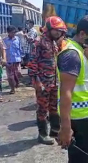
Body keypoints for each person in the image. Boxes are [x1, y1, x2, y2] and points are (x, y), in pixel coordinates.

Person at [57, 15, 88, 163]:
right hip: (79, 120)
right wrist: (66, 128)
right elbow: (66, 92)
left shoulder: (84, 52)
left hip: (87, 117)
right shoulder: (72, 55)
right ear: (82, 34)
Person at [28, 16, 67, 145]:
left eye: (60, 31)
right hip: (43, 83)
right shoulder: (38, 42)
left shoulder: (53, 42)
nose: (59, 33)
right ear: (49, 29)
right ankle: (42, 134)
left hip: (54, 82)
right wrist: (37, 82)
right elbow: (32, 63)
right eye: (57, 30)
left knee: (54, 107)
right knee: (42, 109)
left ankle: (55, 131)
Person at [3, 26, 22, 94]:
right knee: (10, 76)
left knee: (18, 73)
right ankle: (12, 88)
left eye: (15, 32)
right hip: (9, 61)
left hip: (17, 60)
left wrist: (21, 58)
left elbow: (20, 49)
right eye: (12, 32)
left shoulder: (17, 39)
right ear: (8, 32)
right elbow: (3, 51)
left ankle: (17, 82)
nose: (14, 34)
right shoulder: (4, 40)